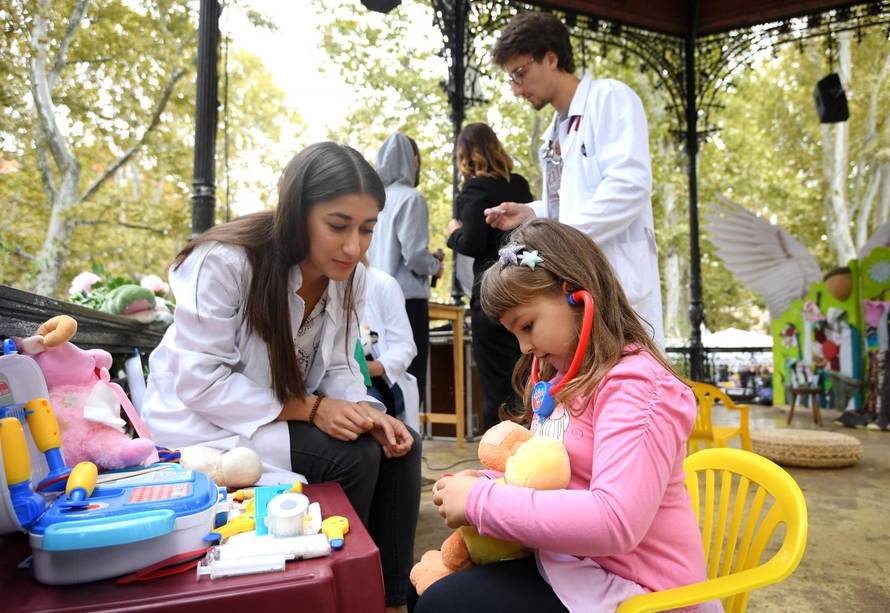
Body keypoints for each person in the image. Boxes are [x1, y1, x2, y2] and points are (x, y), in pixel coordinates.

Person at [142, 142, 420, 613]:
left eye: (367, 229)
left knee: (399, 445)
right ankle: (334, 596)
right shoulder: (225, 261)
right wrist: (312, 408)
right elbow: (200, 381)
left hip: (280, 413)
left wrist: (367, 412)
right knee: (352, 458)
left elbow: (339, 369)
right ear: (296, 213)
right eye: (338, 226)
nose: (354, 246)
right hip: (206, 420)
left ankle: (389, 601)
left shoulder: (350, 276)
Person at [415, 219, 717, 613]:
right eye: (513, 333)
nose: (524, 346)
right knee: (430, 591)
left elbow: (615, 522)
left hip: (640, 594)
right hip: (577, 569)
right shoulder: (565, 382)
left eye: (527, 325)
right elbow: (559, 478)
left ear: (576, 294)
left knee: (444, 604)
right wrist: (487, 481)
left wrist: (481, 502)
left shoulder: (639, 388)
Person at [484, 12, 665, 349]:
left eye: (520, 73)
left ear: (551, 58)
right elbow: (569, 204)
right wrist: (533, 213)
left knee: (626, 384)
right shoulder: (554, 132)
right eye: (511, 78)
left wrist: (556, 241)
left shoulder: (610, 98)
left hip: (619, 281)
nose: (516, 89)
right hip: (576, 287)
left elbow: (629, 185)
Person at [446, 122, 533, 430]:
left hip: (491, 290)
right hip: (526, 285)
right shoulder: (520, 185)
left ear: (465, 155)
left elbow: (473, 242)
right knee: (528, 371)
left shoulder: (475, 189)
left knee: (496, 380)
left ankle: (500, 451)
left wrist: (453, 235)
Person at [368, 132, 444, 408]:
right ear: (413, 161)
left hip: (372, 301)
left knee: (381, 373)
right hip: (407, 300)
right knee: (410, 373)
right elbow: (414, 256)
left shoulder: (374, 201)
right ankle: (410, 438)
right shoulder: (411, 199)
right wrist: (435, 265)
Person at [362, 260, 421, 432]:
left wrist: (372, 368)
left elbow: (405, 346)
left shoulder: (383, 284)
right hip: (331, 383)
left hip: (377, 380)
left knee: (368, 415)